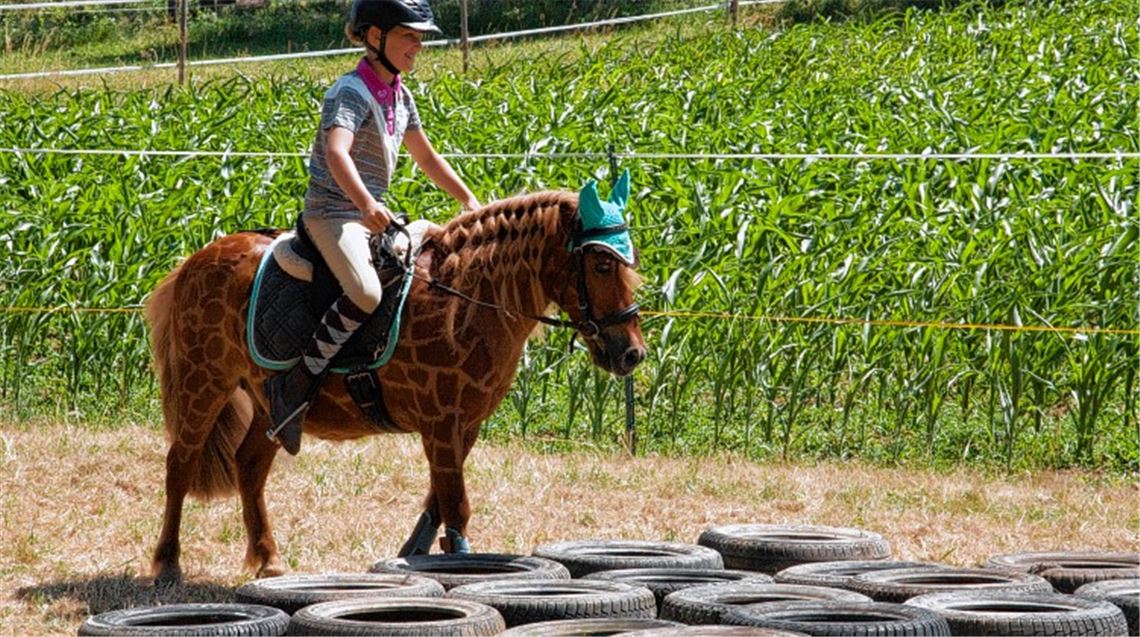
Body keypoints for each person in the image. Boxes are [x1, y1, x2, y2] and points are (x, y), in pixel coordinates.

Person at [265, 0, 480, 455]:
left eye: (421, 37)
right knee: (365, 291)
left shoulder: (401, 96)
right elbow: (337, 153)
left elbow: (427, 157)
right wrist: (365, 204)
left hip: (370, 214)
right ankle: (296, 383)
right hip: (333, 214)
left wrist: (468, 201)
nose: (418, 45)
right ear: (374, 36)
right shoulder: (349, 92)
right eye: (409, 35)